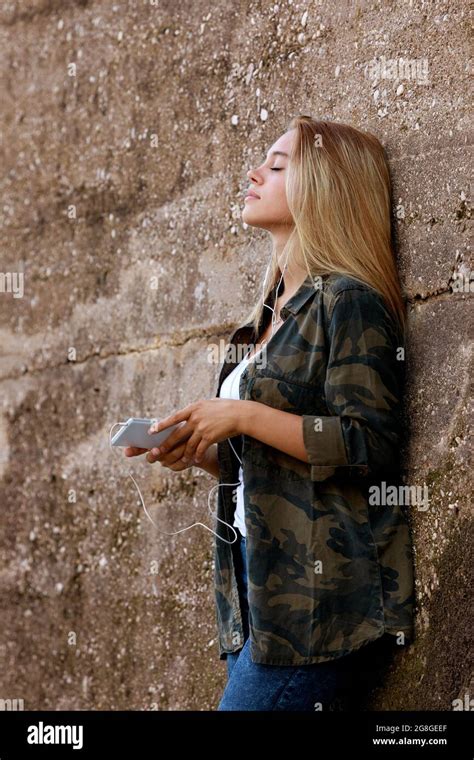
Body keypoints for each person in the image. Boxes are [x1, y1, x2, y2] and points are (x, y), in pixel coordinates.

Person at [124, 115, 416, 711]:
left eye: (278, 166)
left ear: (327, 187)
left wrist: (243, 417)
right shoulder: (256, 325)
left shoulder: (348, 302)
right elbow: (273, 465)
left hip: (322, 613)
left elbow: (370, 445)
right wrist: (202, 453)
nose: (255, 173)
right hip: (255, 605)